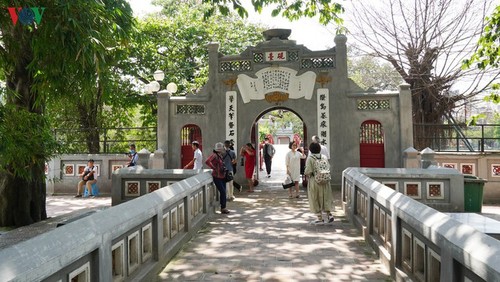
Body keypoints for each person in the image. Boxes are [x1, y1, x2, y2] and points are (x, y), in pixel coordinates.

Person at [304, 142, 334, 224]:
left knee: (315, 198)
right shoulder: (323, 157)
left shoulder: (310, 158)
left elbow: (308, 171)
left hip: (315, 181)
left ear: (310, 149)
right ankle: (329, 214)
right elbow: (328, 167)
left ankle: (319, 218)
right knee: (326, 197)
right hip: (325, 181)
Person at [205, 142, 230, 214]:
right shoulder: (214, 155)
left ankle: (224, 207)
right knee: (222, 191)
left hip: (222, 176)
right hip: (217, 176)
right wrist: (214, 168)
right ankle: (223, 208)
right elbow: (207, 161)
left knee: (224, 192)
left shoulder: (220, 155)